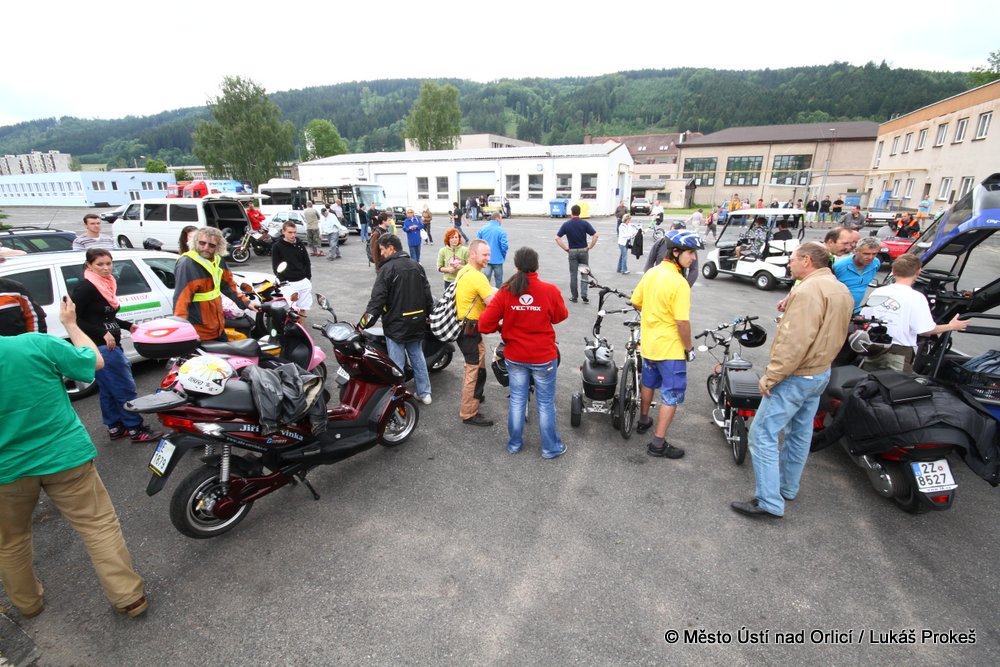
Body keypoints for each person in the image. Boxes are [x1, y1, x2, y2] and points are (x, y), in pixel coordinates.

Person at [0, 296, 148, 619]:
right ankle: (129, 597)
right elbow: (92, 362)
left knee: (11, 541)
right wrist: (71, 324)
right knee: (98, 525)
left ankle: (28, 604)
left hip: (7, 471)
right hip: (65, 455)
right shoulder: (36, 344)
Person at [731, 242, 853, 519]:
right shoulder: (838, 288)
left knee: (762, 435)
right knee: (799, 432)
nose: (789, 263)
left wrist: (771, 376)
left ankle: (768, 501)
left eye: (792, 259)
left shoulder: (809, 291)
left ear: (807, 260)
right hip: (820, 371)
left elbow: (795, 341)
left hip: (796, 375)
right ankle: (787, 487)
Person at [479, 247, 569, 459]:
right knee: (545, 403)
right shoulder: (549, 290)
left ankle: (514, 444)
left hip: (515, 356)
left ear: (516, 266)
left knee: (517, 400)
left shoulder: (506, 291)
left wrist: (502, 326)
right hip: (543, 356)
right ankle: (550, 448)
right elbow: (560, 316)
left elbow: (484, 324)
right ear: (536, 265)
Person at [72, 248, 162, 442]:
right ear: (89, 266)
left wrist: (128, 326)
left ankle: (115, 426)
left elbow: (105, 316)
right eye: (100, 264)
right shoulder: (86, 288)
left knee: (108, 389)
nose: (105, 268)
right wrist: (102, 333)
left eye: (108, 263)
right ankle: (135, 429)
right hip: (101, 347)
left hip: (110, 344)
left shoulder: (106, 283)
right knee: (124, 388)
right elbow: (75, 319)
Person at [631, 230, 703, 459]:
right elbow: (682, 322)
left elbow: (636, 302)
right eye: (691, 253)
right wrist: (689, 349)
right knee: (671, 395)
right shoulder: (679, 283)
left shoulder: (651, 273)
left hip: (649, 343)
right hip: (670, 349)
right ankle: (658, 444)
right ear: (676, 252)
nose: (693, 258)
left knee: (648, 383)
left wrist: (653, 314)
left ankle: (643, 420)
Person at [860, 254, 969, 373]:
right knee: (896, 383)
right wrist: (951, 326)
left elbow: (864, 318)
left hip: (873, 346)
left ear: (893, 271)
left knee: (869, 379)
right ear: (918, 272)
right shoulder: (916, 298)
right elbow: (926, 330)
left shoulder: (878, 292)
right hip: (898, 352)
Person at [363, 234, 434, 405]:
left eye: (382, 249)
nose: (381, 253)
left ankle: (397, 398)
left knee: (396, 364)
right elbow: (427, 294)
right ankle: (425, 393)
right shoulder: (417, 266)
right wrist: (429, 315)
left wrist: (363, 324)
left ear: (391, 248)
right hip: (416, 322)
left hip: (395, 325)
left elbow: (377, 301)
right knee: (418, 358)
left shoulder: (387, 269)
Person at [174, 226, 257, 341]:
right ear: (195, 242)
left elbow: (228, 285)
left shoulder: (218, 260)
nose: (206, 248)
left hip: (217, 326)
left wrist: (246, 302)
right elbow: (181, 299)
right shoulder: (187, 263)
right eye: (202, 243)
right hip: (198, 331)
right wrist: (183, 331)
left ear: (218, 247)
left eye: (211, 245)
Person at [454, 239, 496, 426]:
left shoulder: (464, 271)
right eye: (484, 254)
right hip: (470, 330)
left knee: (479, 362)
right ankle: (469, 412)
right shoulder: (478, 277)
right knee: (473, 369)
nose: (488, 258)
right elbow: (493, 305)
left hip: (464, 328)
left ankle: (475, 396)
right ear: (472, 254)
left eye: (489, 254)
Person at [554, 205, 599, 304]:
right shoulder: (585, 223)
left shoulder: (566, 224)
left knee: (573, 274)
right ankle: (584, 295)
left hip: (572, 251)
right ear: (580, 212)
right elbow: (595, 235)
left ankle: (574, 297)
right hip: (583, 250)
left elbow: (557, 238)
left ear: (571, 212)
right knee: (584, 273)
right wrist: (590, 246)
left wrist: (566, 248)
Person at [271, 221, 314, 309]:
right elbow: (276, 266)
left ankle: (301, 320)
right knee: (291, 309)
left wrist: (308, 277)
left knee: (303, 308)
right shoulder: (277, 246)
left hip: (303, 281)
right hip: (288, 284)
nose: (293, 235)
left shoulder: (300, 244)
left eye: (294, 232)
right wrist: (283, 281)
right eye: (290, 232)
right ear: (283, 232)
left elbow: (306, 262)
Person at [833, 237, 881, 312]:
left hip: (855, 310)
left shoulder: (875, 264)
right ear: (855, 251)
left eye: (874, 254)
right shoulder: (839, 266)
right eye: (866, 254)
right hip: (836, 310)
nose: (870, 257)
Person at [477, 211, 509, 288]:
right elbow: (504, 246)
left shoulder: (483, 229)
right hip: (498, 259)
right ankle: (498, 294)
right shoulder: (501, 231)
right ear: (497, 218)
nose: (501, 220)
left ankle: (485, 294)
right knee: (499, 280)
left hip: (486, 259)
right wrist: (503, 255)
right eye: (501, 218)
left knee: (486, 280)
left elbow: (478, 242)